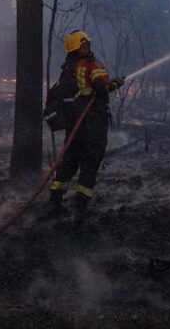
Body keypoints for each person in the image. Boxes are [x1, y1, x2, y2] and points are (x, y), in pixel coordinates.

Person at [47, 30, 123, 220]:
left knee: (70, 160)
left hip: (75, 125)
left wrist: (107, 85)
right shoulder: (91, 64)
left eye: (87, 44)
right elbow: (101, 90)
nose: (87, 47)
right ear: (76, 47)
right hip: (93, 124)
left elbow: (85, 90)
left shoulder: (68, 69)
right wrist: (114, 85)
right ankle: (80, 206)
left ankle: (55, 199)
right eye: (83, 45)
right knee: (90, 163)